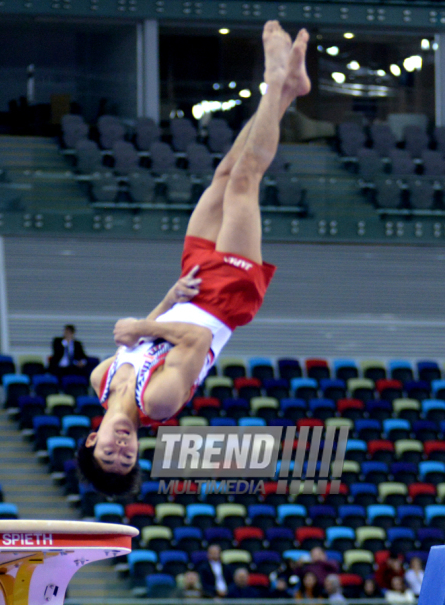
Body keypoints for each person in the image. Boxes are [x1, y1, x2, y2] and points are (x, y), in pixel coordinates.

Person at [77, 21, 311, 496]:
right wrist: (141, 327)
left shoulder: (100, 380)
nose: (120, 449)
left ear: (91, 438)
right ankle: (275, 82)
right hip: (224, 302)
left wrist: (166, 298)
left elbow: (154, 335)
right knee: (246, 181)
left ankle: (288, 92)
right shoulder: (159, 403)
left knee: (224, 176)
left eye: (108, 454)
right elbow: (197, 337)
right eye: (127, 458)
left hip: (191, 285)